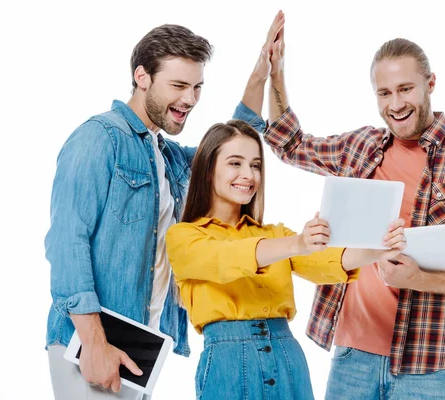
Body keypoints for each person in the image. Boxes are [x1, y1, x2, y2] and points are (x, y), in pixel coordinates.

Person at [261, 26, 445, 399]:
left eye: (405, 89)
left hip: (429, 368)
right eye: (384, 93)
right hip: (352, 357)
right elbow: (289, 143)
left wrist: (421, 279)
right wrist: (276, 71)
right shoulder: (361, 145)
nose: (395, 104)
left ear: (430, 83)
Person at [44, 18, 276, 399]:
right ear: (142, 77)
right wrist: (94, 344)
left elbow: (228, 145)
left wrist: (259, 76)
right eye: (179, 85)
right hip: (88, 341)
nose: (190, 99)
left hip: (142, 343)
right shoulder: (100, 138)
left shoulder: (166, 156)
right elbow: (67, 243)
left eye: (198, 87)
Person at [165, 116, 407, 400]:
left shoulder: (276, 235)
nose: (249, 175)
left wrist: (379, 248)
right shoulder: (183, 237)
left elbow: (326, 261)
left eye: (255, 165)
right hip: (228, 363)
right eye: (235, 163)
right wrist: (298, 243)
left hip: (287, 357)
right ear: (208, 169)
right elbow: (226, 258)